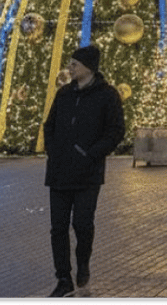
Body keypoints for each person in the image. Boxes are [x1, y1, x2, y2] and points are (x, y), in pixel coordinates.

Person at [43, 45, 125, 298]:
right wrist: (53, 151)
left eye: (74, 64)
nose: (70, 67)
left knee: (82, 225)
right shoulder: (64, 94)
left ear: (88, 67)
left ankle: (83, 265)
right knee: (58, 227)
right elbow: (50, 125)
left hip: (87, 173)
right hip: (59, 171)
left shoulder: (107, 96)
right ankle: (63, 278)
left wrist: (91, 154)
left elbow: (115, 131)